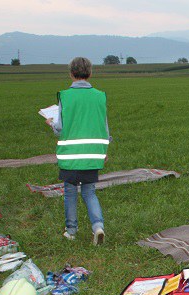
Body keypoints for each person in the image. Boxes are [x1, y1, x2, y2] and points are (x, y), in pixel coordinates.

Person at [47, 57, 110, 245]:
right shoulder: (100, 96)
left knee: (70, 192)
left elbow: (60, 128)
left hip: (71, 156)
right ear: (90, 73)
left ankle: (71, 231)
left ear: (71, 73)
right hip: (93, 154)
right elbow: (105, 127)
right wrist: (105, 150)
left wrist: (51, 123)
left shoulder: (65, 97)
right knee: (90, 192)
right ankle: (98, 226)